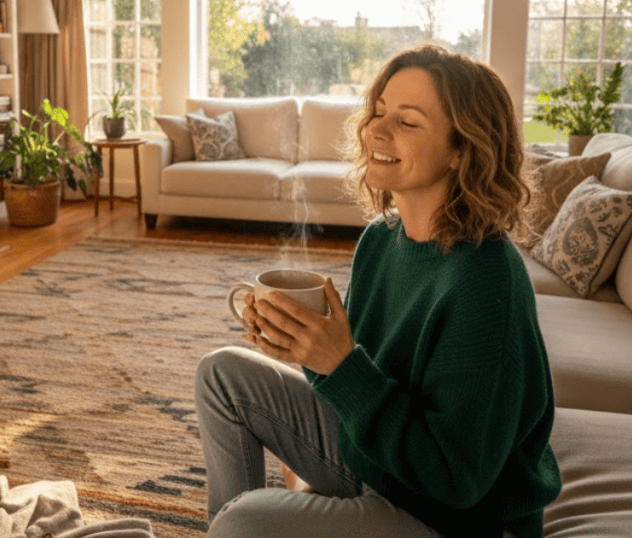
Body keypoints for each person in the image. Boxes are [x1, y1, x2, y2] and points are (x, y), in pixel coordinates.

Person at [193, 44, 562, 538]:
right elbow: (355, 379)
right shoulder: (380, 241)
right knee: (221, 374)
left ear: (461, 149)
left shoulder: (485, 278)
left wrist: (340, 367)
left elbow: (457, 480)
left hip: (451, 517)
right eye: (379, 112)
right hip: (382, 465)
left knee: (243, 523)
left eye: (407, 122)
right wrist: (306, 348)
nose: (375, 130)